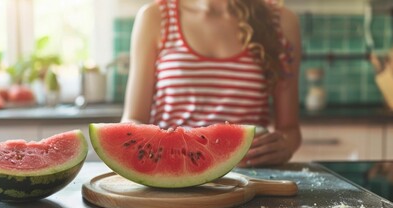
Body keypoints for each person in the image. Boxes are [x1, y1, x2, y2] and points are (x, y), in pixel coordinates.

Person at [121, 0, 302, 167]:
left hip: (247, 175)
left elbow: (290, 129)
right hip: (169, 167)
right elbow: (134, 118)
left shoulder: (282, 22)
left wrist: (284, 145)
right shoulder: (155, 17)